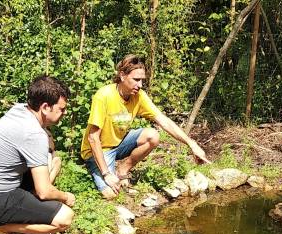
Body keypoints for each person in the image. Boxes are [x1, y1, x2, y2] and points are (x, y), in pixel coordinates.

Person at [0, 76, 75, 234]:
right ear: (45, 107)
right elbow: (45, 191)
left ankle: (24, 211)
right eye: (61, 109)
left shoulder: (21, 110)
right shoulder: (33, 133)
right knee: (65, 218)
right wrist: (65, 197)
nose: (64, 113)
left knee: (55, 162)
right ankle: (0, 228)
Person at [81, 55, 212, 199]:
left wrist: (191, 144)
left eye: (142, 80)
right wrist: (106, 174)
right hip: (98, 150)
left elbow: (164, 121)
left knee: (152, 136)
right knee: (111, 194)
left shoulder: (139, 96)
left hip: (118, 144)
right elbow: (93, 138)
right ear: (122, 75)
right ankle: (97, 168)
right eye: (136, 80)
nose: (140, 85)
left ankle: (122, 169)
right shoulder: (104, 95)